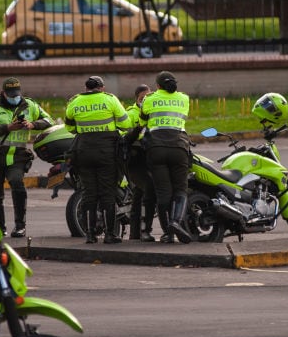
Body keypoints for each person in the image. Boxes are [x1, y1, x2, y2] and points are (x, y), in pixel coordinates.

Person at [0, 77, 53, 237]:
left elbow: (49, 120)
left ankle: (20, 226)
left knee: (17, 184)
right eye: (10, 94)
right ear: (3, 93)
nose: (14, 97)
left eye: (16, 94)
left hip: (17, 156)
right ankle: (0, 229)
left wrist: (33, 125)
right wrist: (8, 127)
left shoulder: (29, 105)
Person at [65, 76, 132, 244]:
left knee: (89, 194)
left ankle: (90, 235)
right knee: (107, 193)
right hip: (106, 152)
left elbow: (69, 127)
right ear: (101, 88)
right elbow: (126, 123)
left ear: (86, 87)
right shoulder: (110, 99)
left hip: (83, 151)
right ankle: (110, 234)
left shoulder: (75, 102)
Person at [139, 71, 194, 244]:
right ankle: (175, 222)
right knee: (180, 190)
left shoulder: (149, 99)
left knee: (163, 193)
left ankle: (167, 233)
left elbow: (142, 122)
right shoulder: (184, 99)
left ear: (158, 86)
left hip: (156, 148)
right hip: (179, 147)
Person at [124, 84, 157, 241]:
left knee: (139, 194)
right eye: (141, 98)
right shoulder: (131, 113)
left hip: (150, 158)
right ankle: (144, 231)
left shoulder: (153, 110)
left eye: (147, 97)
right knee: (148, 188)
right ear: (136, 99)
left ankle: (134, 234)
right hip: (136, 159)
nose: (144, 100)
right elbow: (127, 134)